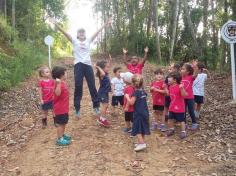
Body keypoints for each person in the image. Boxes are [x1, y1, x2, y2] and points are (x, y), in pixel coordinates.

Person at [50, 18, 112, 119]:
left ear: (85, 34)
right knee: (78, 86)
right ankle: (77, 109)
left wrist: (105, 24)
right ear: (77, 34)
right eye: (80, 32)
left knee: (92, 86)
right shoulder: (74, 40)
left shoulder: (88, 40)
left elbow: (97, 32)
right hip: (78, 65)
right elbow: (65, 33)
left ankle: (96, 106)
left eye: (83, 32)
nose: (82, 33)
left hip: (87, 65)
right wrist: (56, 24)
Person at [125, 74, 150, 152]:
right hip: (145, 113)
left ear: (133, 84)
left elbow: (132, 103)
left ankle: (142, 144)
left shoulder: (135, 93)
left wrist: (127, 97)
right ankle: (141, 142)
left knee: (137, 128)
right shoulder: (143, 92)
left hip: (138, 113)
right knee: (142, 128)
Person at [52, 66, 71, 146]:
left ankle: (62, 135)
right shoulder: (58, 83)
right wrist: (59, 84)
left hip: (64, 108)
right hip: (59, 109)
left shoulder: (62, 82)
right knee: (60, 124)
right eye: (65, 73)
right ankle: (59, 139)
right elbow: (57, 93)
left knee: (63, 123)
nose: (67, 74)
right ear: (61, 75)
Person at [166, 72, 187, 139]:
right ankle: (171, 129)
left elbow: (184, 95)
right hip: (172, 107)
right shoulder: (170, 86)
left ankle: (183, 131)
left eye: (170, 79)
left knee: (181, 120)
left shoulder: (179, 86)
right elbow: (169, 95)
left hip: (179, 107)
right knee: (170, 119)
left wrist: (182, 88)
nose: (168, 79)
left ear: (174, 80)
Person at [181, 63, 199, 130]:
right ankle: (184, 123)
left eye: (183, 69)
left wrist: (195, 67)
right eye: (181, 68)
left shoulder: (191, 77)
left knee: (191, 110)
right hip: (183, 98)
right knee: (183, 111)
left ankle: (194, 123)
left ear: (187, 72)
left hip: (190, 98)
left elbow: (196, 74)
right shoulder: (181, 77)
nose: (181, 70)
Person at [94, 59, 111, 127]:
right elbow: (103, 73)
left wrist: (110, 60)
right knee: (105, 106)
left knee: (106, 106)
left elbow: (107, 66)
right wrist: (97, 67)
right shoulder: (101, 74)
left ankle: (101, 118)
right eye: (106, 67)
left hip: (105, 92)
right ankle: (102, 119)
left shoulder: (106, 73)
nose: (108, 68)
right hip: (102, 93)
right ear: (102, 68)